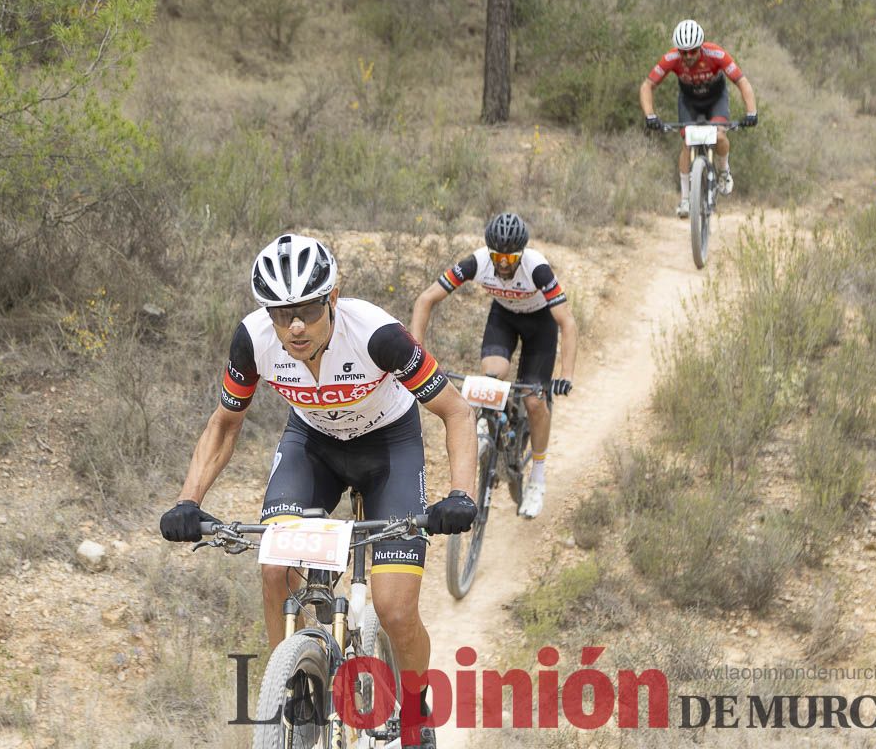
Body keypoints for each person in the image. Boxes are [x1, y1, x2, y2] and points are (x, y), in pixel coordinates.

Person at [160, 233, 478, 749]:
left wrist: (461, 494)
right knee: (274, 569)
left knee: (395, 608)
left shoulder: (378, 334)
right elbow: (224, 425)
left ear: (332, 298)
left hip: (389, 448)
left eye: (308, 309)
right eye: (282, 314)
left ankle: (417, 711)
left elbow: (456, 411)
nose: (296, 327)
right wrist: (187, 501)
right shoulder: (253, 339)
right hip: (314, 445)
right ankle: (295, 694)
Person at [410, 212, 578, 519]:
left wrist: (565, 375)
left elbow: (566, 321)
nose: (502, 263)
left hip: (540, 326)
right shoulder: (476, 262)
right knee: (492, 375)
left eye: (509, 257)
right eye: (497, 256)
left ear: (521, 254)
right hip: (504, 318)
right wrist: (415, 357)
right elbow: (425, 300)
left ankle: (538, 478)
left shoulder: (537, 268)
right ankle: (492, 426)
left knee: (534, 400)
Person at [640, 18, 758, 218]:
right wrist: (650, 115)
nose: (687, 56)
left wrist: (751, 112)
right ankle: (686, 199)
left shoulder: (716, 54)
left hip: (715, 99)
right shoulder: (671, 58)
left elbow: (742, 82)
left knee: (720, 136)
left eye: (692, 51)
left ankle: (723, 171)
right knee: (687, 142)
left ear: (701, 47)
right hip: (689, 102)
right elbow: (647, 86)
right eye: (683, 52)